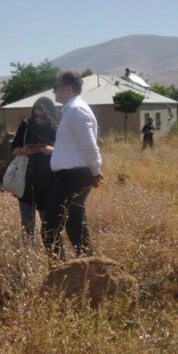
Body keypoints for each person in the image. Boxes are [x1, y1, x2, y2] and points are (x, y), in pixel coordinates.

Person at [44, 71, 103, 260]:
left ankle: (60, 272)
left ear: (68, 88)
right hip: (71, 175)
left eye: (56, 88)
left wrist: (96, 172)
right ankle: (86, 267)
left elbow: (90, 146)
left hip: (73, 177)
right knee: (75, 224)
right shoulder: (71, 110)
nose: (54, 92)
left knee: (50, 228)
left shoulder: (76, 110)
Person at [11, 97, 58, 245]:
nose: (38, 119)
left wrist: (50, 151)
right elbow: (14, 149)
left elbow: (65, 153)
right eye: (35, 115)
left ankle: (53, 254)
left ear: (50, 115)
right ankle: (28, 255)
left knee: (49, 224)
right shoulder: (25, 126)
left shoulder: (56, 129)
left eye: (43, 116)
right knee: (27, 224)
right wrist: (24, 150)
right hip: (27, 180)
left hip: (48, 182)